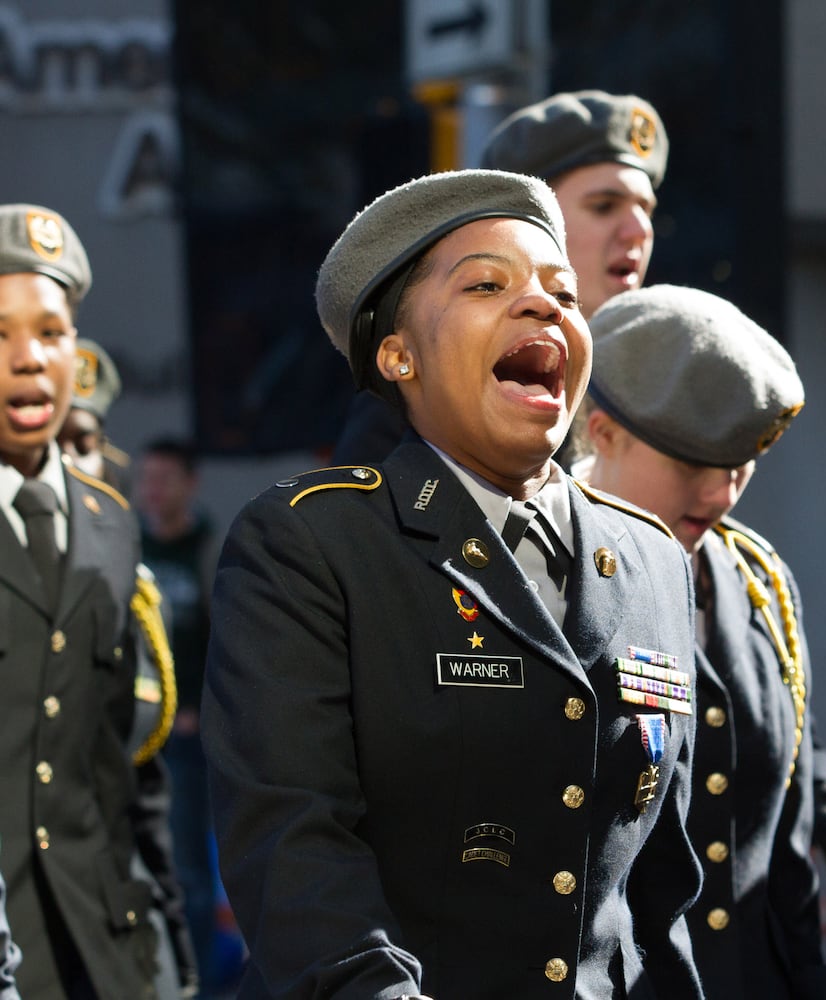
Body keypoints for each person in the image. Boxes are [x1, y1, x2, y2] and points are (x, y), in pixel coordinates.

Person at [204, 169, 704, 997]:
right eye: (485, 284)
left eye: (563, 294)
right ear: (397, 355)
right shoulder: (310, 542)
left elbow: (657, 897)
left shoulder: (651, 558)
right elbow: (293, 849)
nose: (544, 307)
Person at [575, 284, 826, 997]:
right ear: (602, 431)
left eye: (739, 465)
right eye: (694, 465)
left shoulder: (759, 579)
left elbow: (784, 828)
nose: (723, 496)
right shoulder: (546, 577)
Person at [0, 202, 191, 998]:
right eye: (0, 335)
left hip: (102, 956)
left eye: (50, 333)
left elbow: (123, 767)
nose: (28, 361)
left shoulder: (112, 524)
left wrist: (167, 949)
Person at [332, 90, 667, 466]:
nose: (639, 230)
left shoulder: (659, 381)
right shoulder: (427, 382)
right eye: (604, 206)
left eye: (646, 209)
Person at [136, 437, 228, 991]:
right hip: (137, 735)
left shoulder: (210, 549)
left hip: (190, 735)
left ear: (190, 483)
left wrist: (201, 708)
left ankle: (198, 983)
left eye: (165, 478)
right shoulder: (127, 544)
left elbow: (228, 643)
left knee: (191, 867)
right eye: (147, 477)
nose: (153, 488)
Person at [56, 337, 130, 491]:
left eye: (82, 446)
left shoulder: (118, 510)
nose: (67, 459)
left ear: (101, 444)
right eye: (53, 445)